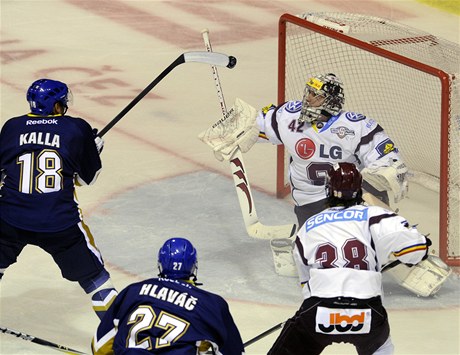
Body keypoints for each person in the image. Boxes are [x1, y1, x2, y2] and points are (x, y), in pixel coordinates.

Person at [267, 162, 431, 355]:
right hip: (368, 308)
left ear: (328, 190)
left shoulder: (309, 227)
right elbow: (417, 250)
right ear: (359, 189)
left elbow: (307, 283)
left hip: (321, 306)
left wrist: (315, 315)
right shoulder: (375, 216)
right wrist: (423, 245)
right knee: (382, 348)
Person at [0, 78, 116, 320]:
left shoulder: (11, 127)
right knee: (96, 280)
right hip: (58, 222)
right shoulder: (76, 128)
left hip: (10, 217)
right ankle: (122, 334)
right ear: (55, 105)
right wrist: (91, 150)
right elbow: (87, 180)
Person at [255, 73, 408, 229]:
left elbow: (388, 158)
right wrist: (240, 125)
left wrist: (384, 171)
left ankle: (399, 237)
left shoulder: (356, 126)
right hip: (310, 202)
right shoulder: (289, 116)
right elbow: (254, 126)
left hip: (350, 198)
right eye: (309, 92)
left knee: (370, 240)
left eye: (316, 95)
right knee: (317, 249)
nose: (308, 98)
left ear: (331, 101)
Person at [91, 237, 245, 355]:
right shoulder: (212, 304)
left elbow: (100, 346)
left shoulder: (133, 291)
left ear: (160, 264)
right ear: (193, 267)